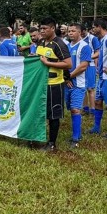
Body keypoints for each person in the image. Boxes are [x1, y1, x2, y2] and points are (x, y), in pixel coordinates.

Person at [36, 18, 71, 151]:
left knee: (53, 115)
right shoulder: (41, 42)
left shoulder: (59, 44)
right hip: (40, 84)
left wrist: (48, 63)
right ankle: (37, 138)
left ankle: (51, 144)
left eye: (45, 28)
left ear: (52, 28)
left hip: (54, 85)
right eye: (41, 28)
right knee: (40, 111)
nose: (42, 31)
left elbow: (68, 64)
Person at [65, 22, 92, 148]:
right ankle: (78, 134)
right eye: (69, 31)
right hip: (67, 82)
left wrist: (69, 76)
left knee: (75, 109)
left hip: (78, 83)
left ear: (80, 32)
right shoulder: (66, 46)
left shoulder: (84, 47)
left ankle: (75, 139)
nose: (70, 33)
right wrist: (66, 79)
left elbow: (83, 66)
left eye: (73, 31)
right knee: (71, 109)